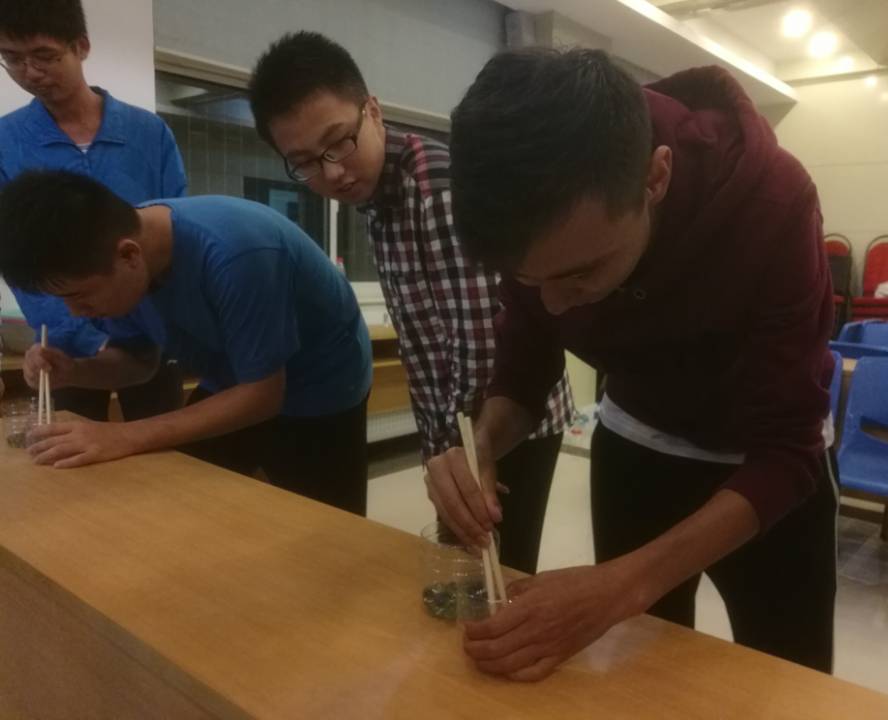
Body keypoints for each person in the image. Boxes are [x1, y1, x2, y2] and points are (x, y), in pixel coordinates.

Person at [426, 48, 837, 681]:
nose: (553, 303)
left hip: (765, 469)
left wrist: (621, 587)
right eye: (528, 280)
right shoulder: (539, 221)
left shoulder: (774, 201)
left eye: (581, 273)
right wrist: (482, 443)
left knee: (789, 680)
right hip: (639, 444)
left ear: (656, 178)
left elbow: (788, 450)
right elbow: (524, 372)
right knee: (643, 678)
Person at [247, 32, 576, 573]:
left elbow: (481, 346)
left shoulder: (436, 187)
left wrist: (466, 453)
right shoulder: (378, 195)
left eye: (339, 142)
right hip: (458, 429)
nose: (332, 172)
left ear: (373, 111)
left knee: (499, 575)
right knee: (467, 569)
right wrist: (440, 449)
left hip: (509, 419)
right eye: (304, 162)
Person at [0, 170, 372, 515]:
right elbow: (139, 362)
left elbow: (262, 395)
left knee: (329, 532)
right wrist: (74, 371)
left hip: (320, 386)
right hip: (233, 380)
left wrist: (123, 434)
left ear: (129, 255)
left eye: (80, 296)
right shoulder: (116, 260)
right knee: (181, 503)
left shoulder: (239, 252)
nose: (77, 312)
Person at [0, 0, 186, 422]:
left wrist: (153, 329)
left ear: (80, 46)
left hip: (151, 335)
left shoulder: (148, 133)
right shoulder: (7, 143)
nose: (29, 73)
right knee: (71, 449)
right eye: (12, 59)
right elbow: (18, 260)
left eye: (44, 56)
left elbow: (176, 230)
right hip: (66, 345)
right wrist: (83, 337)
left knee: (165, 448)